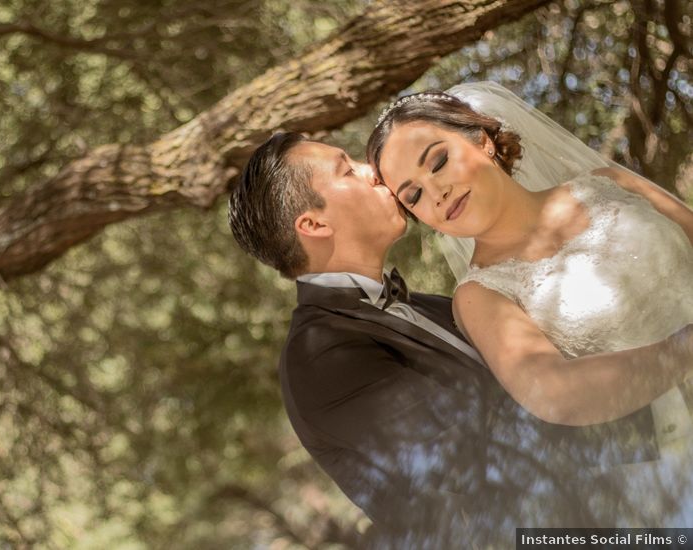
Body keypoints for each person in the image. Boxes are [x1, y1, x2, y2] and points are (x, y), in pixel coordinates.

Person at [228, 128, 690, 545]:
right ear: (314, 224)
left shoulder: (432, 304)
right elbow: (482, 463)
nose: (373, 175)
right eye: (347, 170)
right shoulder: (322, 359)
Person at [366, 81, 693, 525]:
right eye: (414, 195)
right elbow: (554, 393)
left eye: (438, 161)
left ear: (481, 140)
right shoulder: (479, 295)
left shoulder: (608, 183)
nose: (436, 192)